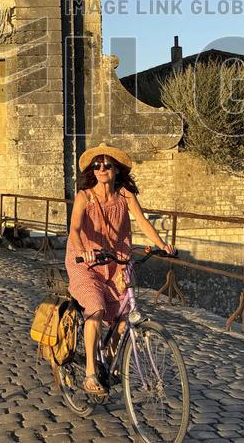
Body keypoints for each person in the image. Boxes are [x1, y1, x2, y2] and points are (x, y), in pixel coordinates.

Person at [64, 142, 175, 395]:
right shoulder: (85, 197)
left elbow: (143, 221)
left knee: (123, 321)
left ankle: (111, 363)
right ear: (92, 171)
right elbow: (75, 229)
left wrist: (162, 245)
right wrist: (83, 251)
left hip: (116, 262)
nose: (102, 169)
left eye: (107, 165)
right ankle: (91, 372)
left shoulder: (125, 195)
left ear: (116, 171)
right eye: (97, 165)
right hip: (86, 263)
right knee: (95, 309)